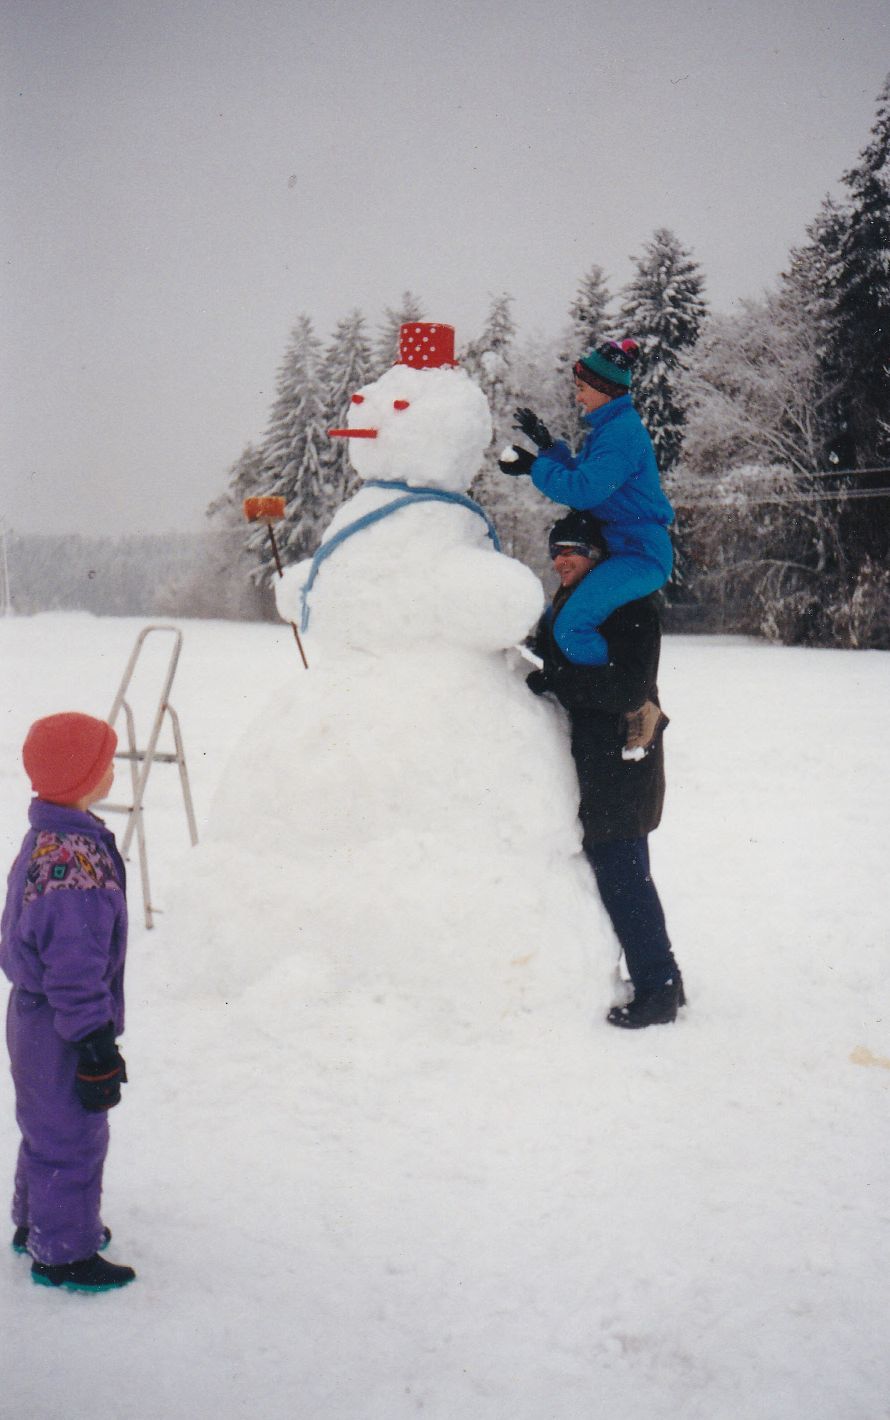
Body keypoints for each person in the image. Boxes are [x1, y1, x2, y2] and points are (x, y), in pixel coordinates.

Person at [527, 510, 684, 1028]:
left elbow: (625, 689)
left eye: (572, 550)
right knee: (628, 876)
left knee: (624, 878)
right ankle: (665, 981)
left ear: (598, 556)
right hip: (603, 762)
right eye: (555, 551)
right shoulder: (570, 607)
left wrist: (557, 683)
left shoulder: (631, 608)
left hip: (623, 762)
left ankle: (658, 992)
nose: (561, 560)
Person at [1, 712, 135, 1291]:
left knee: (45, 1125)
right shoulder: (75, 868)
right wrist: (95, 1042)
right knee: (74, 1135)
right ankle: (62, 1253)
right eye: (105, 763)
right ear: (84, 777)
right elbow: (75, 968)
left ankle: (38, 1220)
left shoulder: (53, 835)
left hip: (36, 1017)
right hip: (63, 1023)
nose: (111, 772)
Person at [499, 338, 675, 670]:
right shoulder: (609, 429)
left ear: (603, 388)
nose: (578, 396)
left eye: (582, 388)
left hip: (640, 554)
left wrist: (533, 466)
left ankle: (616, 697)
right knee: (554, 620)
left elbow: (584, 491)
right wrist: (548, 447)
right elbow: (583, 474)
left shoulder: (621, 433)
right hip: (620, 547)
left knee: (570, 628)